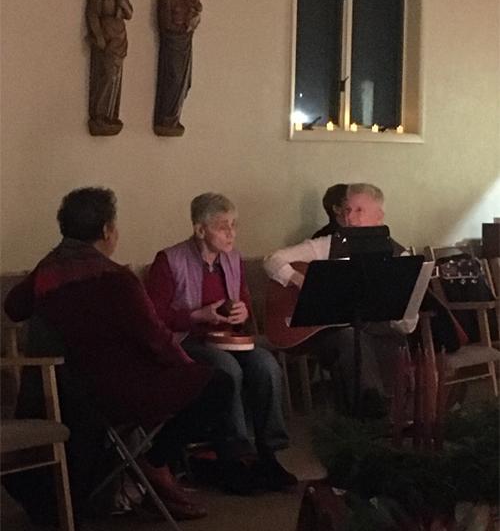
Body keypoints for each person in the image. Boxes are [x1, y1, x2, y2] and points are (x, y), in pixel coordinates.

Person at [4, 188, 258, 522]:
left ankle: (148, 469)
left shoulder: (48, 272)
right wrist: (186, 367)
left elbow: (13, 307)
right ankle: (154, 462)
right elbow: (154, 339)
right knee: (218, 382)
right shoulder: (116, 279)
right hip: (116, 390)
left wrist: (47, 264)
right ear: (108, 231)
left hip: (60, 390)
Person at [146, 193, 297, 491]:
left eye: (234, 225)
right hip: (187, 340)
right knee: (228, 369)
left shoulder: (232, 258)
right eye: (222, 226)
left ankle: (269, 452)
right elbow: (155, 317)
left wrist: (243, 309)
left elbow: (242, 303)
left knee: (266, 364)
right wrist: (198, 315)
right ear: (200, 230)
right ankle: (234, 456)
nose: (231, 233)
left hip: (228, 339)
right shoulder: (169, 260)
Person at [264, 183, 416, 416]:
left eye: (358, 210)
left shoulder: (401, 256)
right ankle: (371, 412)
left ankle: (383, 412)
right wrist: (297, 278)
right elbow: (273, 260)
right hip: (334, 336)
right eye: (346, 210)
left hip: (380, 332)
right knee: (349, 338)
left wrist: (403, 315)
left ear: (379, 216)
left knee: (388, 340)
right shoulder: (327, 245)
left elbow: (406, 324)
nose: (350, 217)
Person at [86, 0, 133, 136]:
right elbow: (92, 13)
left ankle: (111, 113)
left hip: (119, 35)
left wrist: (122, 1)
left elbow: (129, 14)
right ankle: (99, 114)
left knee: (116, 77)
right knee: (106, 74)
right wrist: (98, 35)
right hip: (106, 34)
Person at [154, 0, 199, 136]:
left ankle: (174, 117)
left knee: (183, 82)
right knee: (173, 78)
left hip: (185, 43)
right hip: (173, 43)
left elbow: (192, 14)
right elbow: (165, 24)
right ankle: (166, 117)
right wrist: (182, 29)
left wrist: (193, 19)